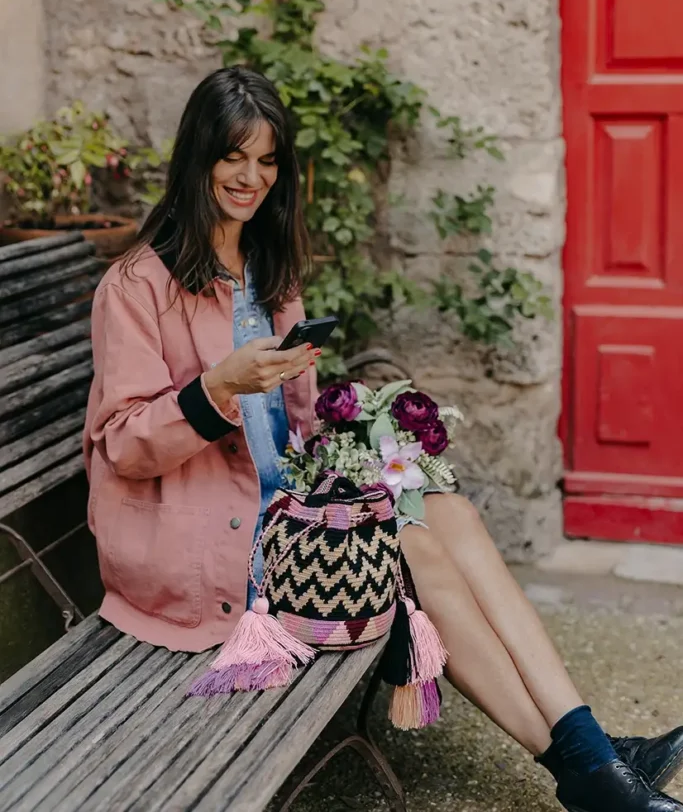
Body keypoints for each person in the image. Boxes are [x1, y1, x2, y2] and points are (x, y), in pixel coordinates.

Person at [84, 67, 683, 812]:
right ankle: (592, 768)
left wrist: (357, 429)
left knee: (448, 511)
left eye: (268, 160)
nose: (251, 177)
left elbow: (297, 425)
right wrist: (219, 387)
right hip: (209, 542)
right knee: (414, 547)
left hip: (292, 509)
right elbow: (124, 446)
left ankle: (592, 758)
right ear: (197, 158)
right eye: (233, 157)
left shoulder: (267, 270)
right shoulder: (138, 286)